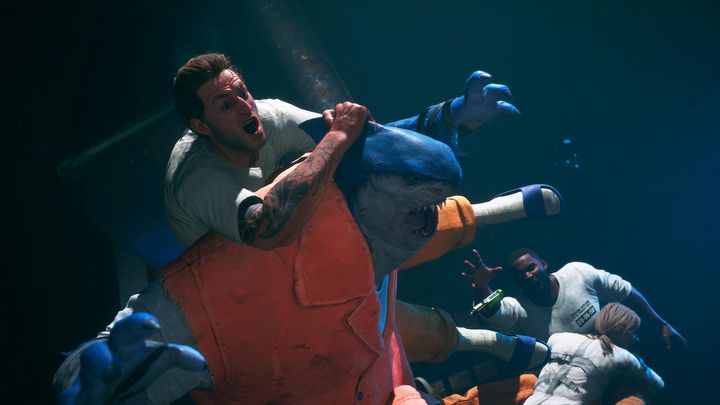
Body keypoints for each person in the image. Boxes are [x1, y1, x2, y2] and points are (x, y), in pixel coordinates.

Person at [462, 248, 688, 349]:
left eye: (531, 268)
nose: (528, 276)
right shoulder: (519, 307)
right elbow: (494, 312)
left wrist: (661, 324)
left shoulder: (577, 273)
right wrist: (482, 287)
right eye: (521, 275)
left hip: (615, 355)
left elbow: (625, 291)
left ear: (544, 264)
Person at [524, 303, 665, 404]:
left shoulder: (557, 337)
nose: (636, 339)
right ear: (624, 330)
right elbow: (658, 383)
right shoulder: (622, 356)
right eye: (634, 333)